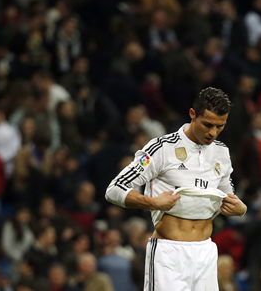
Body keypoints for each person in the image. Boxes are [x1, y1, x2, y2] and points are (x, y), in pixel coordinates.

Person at [105, 87, 247, 291]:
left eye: (220, 126)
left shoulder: (221, 152)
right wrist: (152, 203)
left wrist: (240, 208)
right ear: (192, 115)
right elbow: (114, 189)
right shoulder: (162, 148)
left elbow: (228, 196)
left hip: (205, 252)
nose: (212, 133)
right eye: (207, 124)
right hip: (168, 254)